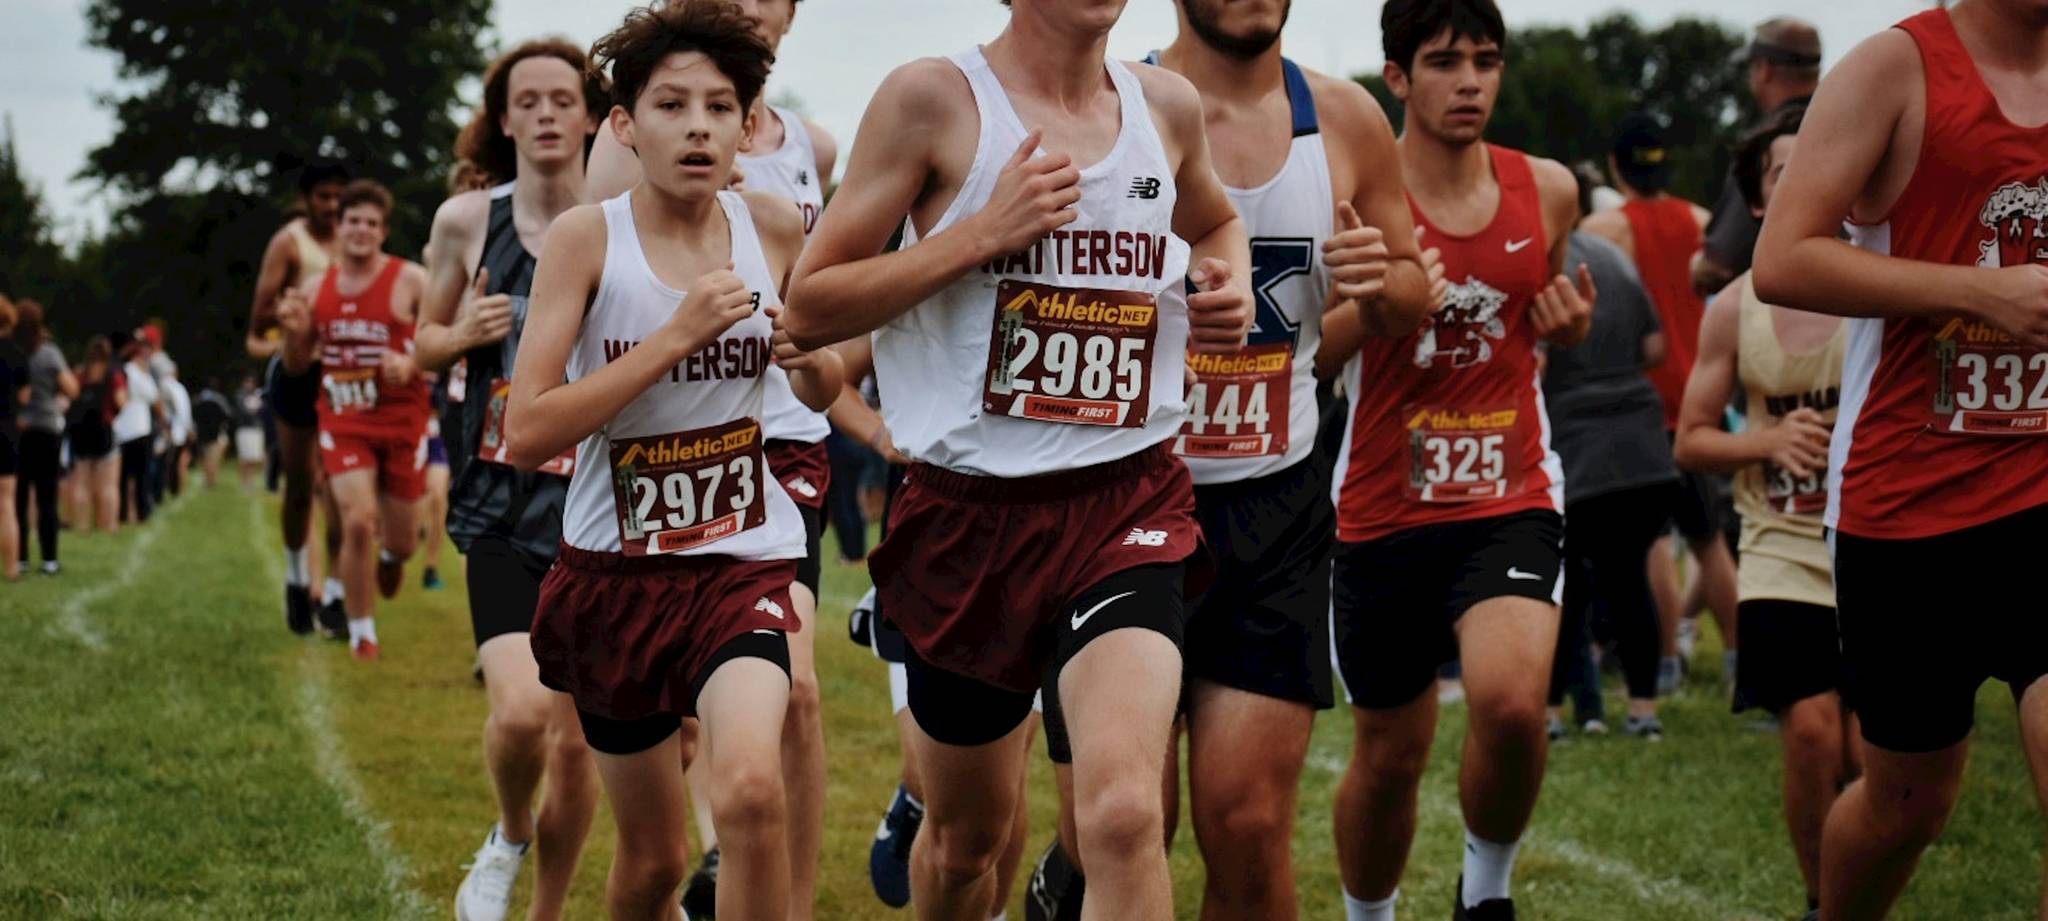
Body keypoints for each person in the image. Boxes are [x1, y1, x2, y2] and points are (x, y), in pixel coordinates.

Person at [784, 0, 1254, 915]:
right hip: (967, 519)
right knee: (967, 842)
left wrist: (1222, 281)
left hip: (1126, 501)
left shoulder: (1166, 105)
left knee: (1124, 814)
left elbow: (1215, 224)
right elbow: (811, 305)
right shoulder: (932, 100)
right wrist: (981, 233)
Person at [506, 4, 837, 917]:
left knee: (751, 792)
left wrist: (812, 362)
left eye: (720, 107)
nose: (698, 127)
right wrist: (673, 337)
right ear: (624, 124)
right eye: (671, 105)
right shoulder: (586, 238)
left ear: (746, 125)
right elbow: (528, 431)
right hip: (615, 577)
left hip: (741, 558)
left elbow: (822, 384)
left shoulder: (773, 227)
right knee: (653, 864)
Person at [1752, 2, 2048, 917]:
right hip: (1908, 508)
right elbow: (1783, 259)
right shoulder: (1893, 69)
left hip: (2040, 487)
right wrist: (1980, 293)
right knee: (1907, 805)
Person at [1138, 3, 1433, 919]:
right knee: (1127, 824)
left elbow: (1410, 290)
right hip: (1128, 504)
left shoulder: (1343, 117)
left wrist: (1379, 282)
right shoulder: (1119, 104)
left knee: (1251, 823)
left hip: (1276, 509)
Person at [1321, 3, 1593, 919]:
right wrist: (1382, 307)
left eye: (1486, 60)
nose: (1470, 81)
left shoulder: (1548, 188)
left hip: (1509, 491)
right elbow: (1303, 361)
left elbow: (1542, 314)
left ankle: (1485, 893)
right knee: (1390, 753)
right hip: (1382, 503)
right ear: (1397, 77)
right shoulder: (1354, 194)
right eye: (1444, 62)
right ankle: (1370, 914)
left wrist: (1569, 326)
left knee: (1512, 705)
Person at [416, 36, 606, 921]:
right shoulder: (466, 220)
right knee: (525, 714)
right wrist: (463, 333)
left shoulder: (622, 218)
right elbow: (421, 344)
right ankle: (508, 833)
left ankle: (546, 910)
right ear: (503, 120)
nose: (545, 115)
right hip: (498, 498)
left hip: (595, 504)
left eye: (562, 100)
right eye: (527, 101)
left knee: (576, 743)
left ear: (593, 115)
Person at [1675, 101, 1858, 918]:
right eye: (1784, 170)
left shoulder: (1881, 288)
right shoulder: (1733, 309)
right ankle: (1823, 899)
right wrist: (1768, 440)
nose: (1805, 179)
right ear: (1757, 199)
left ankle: (1858, 884)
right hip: (1781, 545)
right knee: (1812, 729)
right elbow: (1691, 439)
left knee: (1871, 753)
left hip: (1875, 538)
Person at [1580, 112, 1739, 695]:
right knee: (1709, 540)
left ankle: (1666, 661)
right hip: (1702, 395)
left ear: (1616, 165)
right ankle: (1739, 661)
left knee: (1649, 541)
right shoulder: (1701, 221)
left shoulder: (1603, 229)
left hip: (1642, 405)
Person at [1541, 174, 1679, 740]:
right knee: (1629, 580)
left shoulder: (1542, 266)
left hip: (1576, 445)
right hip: (1643, 445)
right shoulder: (1614, 259)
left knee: (1565, 586)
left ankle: (1551, 713)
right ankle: (1643, 710)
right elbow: (1655, 346)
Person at [279, 179, 432, 662]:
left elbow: (442, 343)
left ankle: (392, 557)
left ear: (383, 231)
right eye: (353, 221)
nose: (361, 230)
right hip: (343, 420)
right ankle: (361, 629)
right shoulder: (314, 289)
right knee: (358, 520)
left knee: (403, 541)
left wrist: (411, 364)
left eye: (371, 222)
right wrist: (293, 333)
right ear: (339, 228)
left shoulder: (412, 280)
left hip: (402, 421)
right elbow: (297, 365)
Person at [250, 160, 349, 636]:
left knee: (345, 489)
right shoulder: (289, 244)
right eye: (323, 197)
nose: (331, 206)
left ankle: (335, 594)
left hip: (346, 375)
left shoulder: (356, 238)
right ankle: (296, 581)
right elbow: (258, 322)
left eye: (338, 197)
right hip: (298, 374)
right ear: (306, 199)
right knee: (300, 486)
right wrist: (293, 319)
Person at [1693, 17, 1821, 297]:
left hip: (1772, 310)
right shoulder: (1847, 132)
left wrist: (1698, 266)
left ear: (1765, 69)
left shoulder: (1765, 145)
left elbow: (1720, 265)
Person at [14, 299, 74, 575]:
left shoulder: (11, 352)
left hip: (17, 431)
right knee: (47, 497)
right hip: (47, 429)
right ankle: (49, 560)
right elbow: (71, 388)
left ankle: (20, 557)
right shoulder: (49, 354)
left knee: (18, 497)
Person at [67, 337, 123, 534]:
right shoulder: (113, 375)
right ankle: (108, 524)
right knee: (108, 484)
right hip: (103, 428)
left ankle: (82, 525)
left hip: (81, 431)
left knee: (81, 482)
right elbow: (121, 401)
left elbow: (70, 396)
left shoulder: (80, 373)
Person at [112, 334, 161, 525]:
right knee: (140, 476)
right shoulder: (136, 372)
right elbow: (153, 396)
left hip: (124, 429)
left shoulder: (123, 371)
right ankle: (141, 512)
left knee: (124, 477)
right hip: (138, 429)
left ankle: (123, 512)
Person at [0, 298, 23, 580]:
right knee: (6, 502)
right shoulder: (14, 353)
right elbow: (25, 396)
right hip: (6, 430)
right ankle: (11, 568)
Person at [160, 359, 193, 498]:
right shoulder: (177, 388)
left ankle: (171, 488)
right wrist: (188, 428)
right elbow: (184, 412)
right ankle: (173, 488)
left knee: (169, 461)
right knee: (173, 461)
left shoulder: (165, 386)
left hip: (170, 429)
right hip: (175, 430)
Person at [193, 378, 232, 489]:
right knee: (213, 458)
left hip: (202, 433)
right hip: (214, 433)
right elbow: (227, 416)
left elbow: (193, 416)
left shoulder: (198, 400)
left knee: (205, 457)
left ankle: (208, 479)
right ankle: (212, 479)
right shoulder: (220, 400)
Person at [234, 374, 266, 488]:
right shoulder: (240, 395)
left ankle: (251, 480)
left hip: (256, 429)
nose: (249, 384)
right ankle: (244, 481)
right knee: (244, 456)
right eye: (247, 382)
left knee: (254, 457)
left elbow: (262, 411)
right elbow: (244, 411)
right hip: (245, 429)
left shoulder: (258, 395)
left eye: (251, 382)